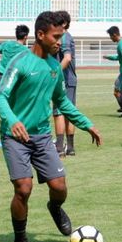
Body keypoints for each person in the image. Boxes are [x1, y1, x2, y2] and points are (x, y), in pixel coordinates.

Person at [0, 11, 102, 242]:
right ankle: (20, 239)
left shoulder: (54, 67)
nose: (60, 42)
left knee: (60, 187)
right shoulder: (20, 63)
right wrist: (12, 120)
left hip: (42, 137)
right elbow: (0, 96)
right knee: (23, 188)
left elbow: (62, 102)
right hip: (15, 137)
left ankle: (55, 208)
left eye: (62, 37)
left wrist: (87, 124)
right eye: (56, 37)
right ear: (40, 35)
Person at [52, 10, 78, 157]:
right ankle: (70, 148)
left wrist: (55, 73)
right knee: (69, 112)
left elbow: (67, 58)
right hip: (70, 80)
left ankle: (60, 148)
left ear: (64, 23)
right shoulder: (66, 36)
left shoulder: (64, 37)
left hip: (64, 80)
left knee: (59, 112)